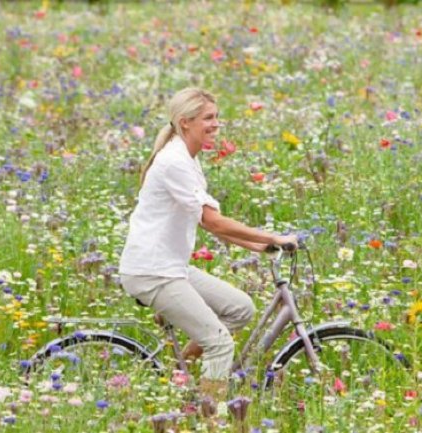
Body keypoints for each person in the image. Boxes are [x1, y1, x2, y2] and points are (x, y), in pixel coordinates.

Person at [118, 87, 297, 414]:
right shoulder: (174, 162)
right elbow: (212, 221)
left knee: (240, 309)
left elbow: (205, 221)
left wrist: (261, 246)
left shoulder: (187, 158)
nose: (216, 125)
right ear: (185, 123)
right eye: (208, 119)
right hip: (152, 272)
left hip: (171, 266)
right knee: (219, 344)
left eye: (217, 117)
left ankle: (178, 374)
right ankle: (208, 418)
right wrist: (271, 235)